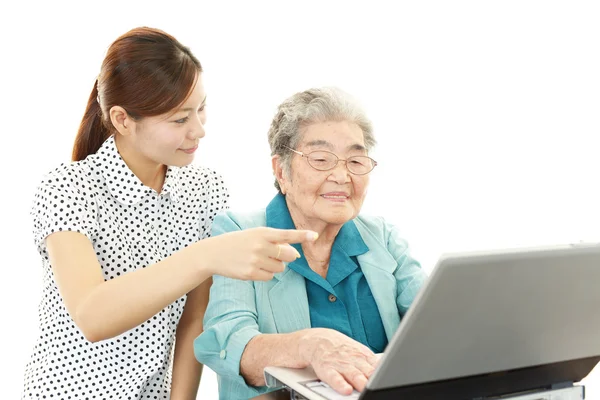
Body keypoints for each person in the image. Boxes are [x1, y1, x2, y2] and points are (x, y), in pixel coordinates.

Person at [21, 27, 316, 400]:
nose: (199, 130)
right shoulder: (68, 186)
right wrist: (207, 256)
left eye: (201, 109)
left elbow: (195, 316)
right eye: (179, 120)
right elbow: (92, 316)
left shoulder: (205, 188)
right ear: (123, 119)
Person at [194, 87, 428, 399]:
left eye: (356, 161)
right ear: (281, 171)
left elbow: (436, 326)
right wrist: (307, 345)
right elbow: (226, 341)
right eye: (321, 159)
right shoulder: (238, 231)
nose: (342, 176)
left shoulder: (383, 237)